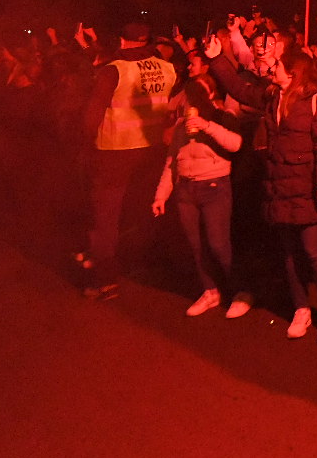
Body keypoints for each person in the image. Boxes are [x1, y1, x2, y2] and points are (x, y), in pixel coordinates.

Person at [206, 35, 317, 344]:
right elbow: (241, 90)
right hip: (279, 184)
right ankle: (301, 309)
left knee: (314, 251)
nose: (272, 66)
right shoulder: (273, 95)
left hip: (307, 185)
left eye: (278, 64)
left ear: (294, 72)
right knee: (289, 251)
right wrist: (217, 61)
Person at [79, 21, 177, 300]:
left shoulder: (114, 70)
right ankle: (138, 265)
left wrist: (86, 146)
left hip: (114, 152)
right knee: (139, 212)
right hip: (151, 150)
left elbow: (92, 116)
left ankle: (106, 280)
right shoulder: (166, 68)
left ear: (122, 41)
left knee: (106, 217)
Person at [150, 85, 250, 319]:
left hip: (214, 187)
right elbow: (172, 161)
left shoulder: (222, 117)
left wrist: (207, 126)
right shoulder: (180, 127)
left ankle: (240, 291)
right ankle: (210, 291)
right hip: (186, 190)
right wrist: (160, 195)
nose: (188, 105)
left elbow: (235, 144)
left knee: (218, 244)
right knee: (196, 246)